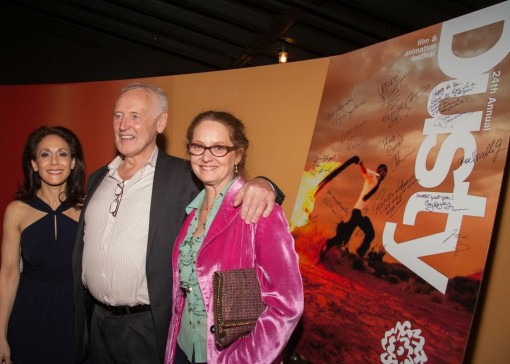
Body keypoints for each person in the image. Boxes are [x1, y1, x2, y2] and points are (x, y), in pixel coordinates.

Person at [72, 83, 283, 364]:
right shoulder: (99, 178)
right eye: (118, 115)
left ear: (160, 122)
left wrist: (265, 183)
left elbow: (229, 184)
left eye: (135, 115)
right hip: (96, 321)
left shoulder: (185, 174)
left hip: (147, 327)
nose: (123, 125)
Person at [164, 110, 303, 364]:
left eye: (218, 147)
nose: (206, 157)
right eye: (198, 146)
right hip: (183, 349)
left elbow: (287, 305)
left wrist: (245, 360)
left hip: (229, 356)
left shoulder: (258, 210)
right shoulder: (191, 211)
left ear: (237, 154)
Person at [0, 126, 86, 364]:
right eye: (45, 154)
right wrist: (0, 334)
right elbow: (8, 273)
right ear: (34, 164)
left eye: (63, 154)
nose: (54, 161)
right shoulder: (16, 211)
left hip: (76, 318)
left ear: (72, 162)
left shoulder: (88, 210)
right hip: (28, 315)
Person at [319, 158, 387, 261]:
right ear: (380, 170)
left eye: (385, 173)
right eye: (384, 171)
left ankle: (358, 252)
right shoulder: (373, 176)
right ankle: (328, 245)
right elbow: (365, 172)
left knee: (367, 233)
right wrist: (360, 163)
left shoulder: (378, 181)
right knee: (350, 236)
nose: (385, 174)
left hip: (361, 214)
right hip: (357, 212)